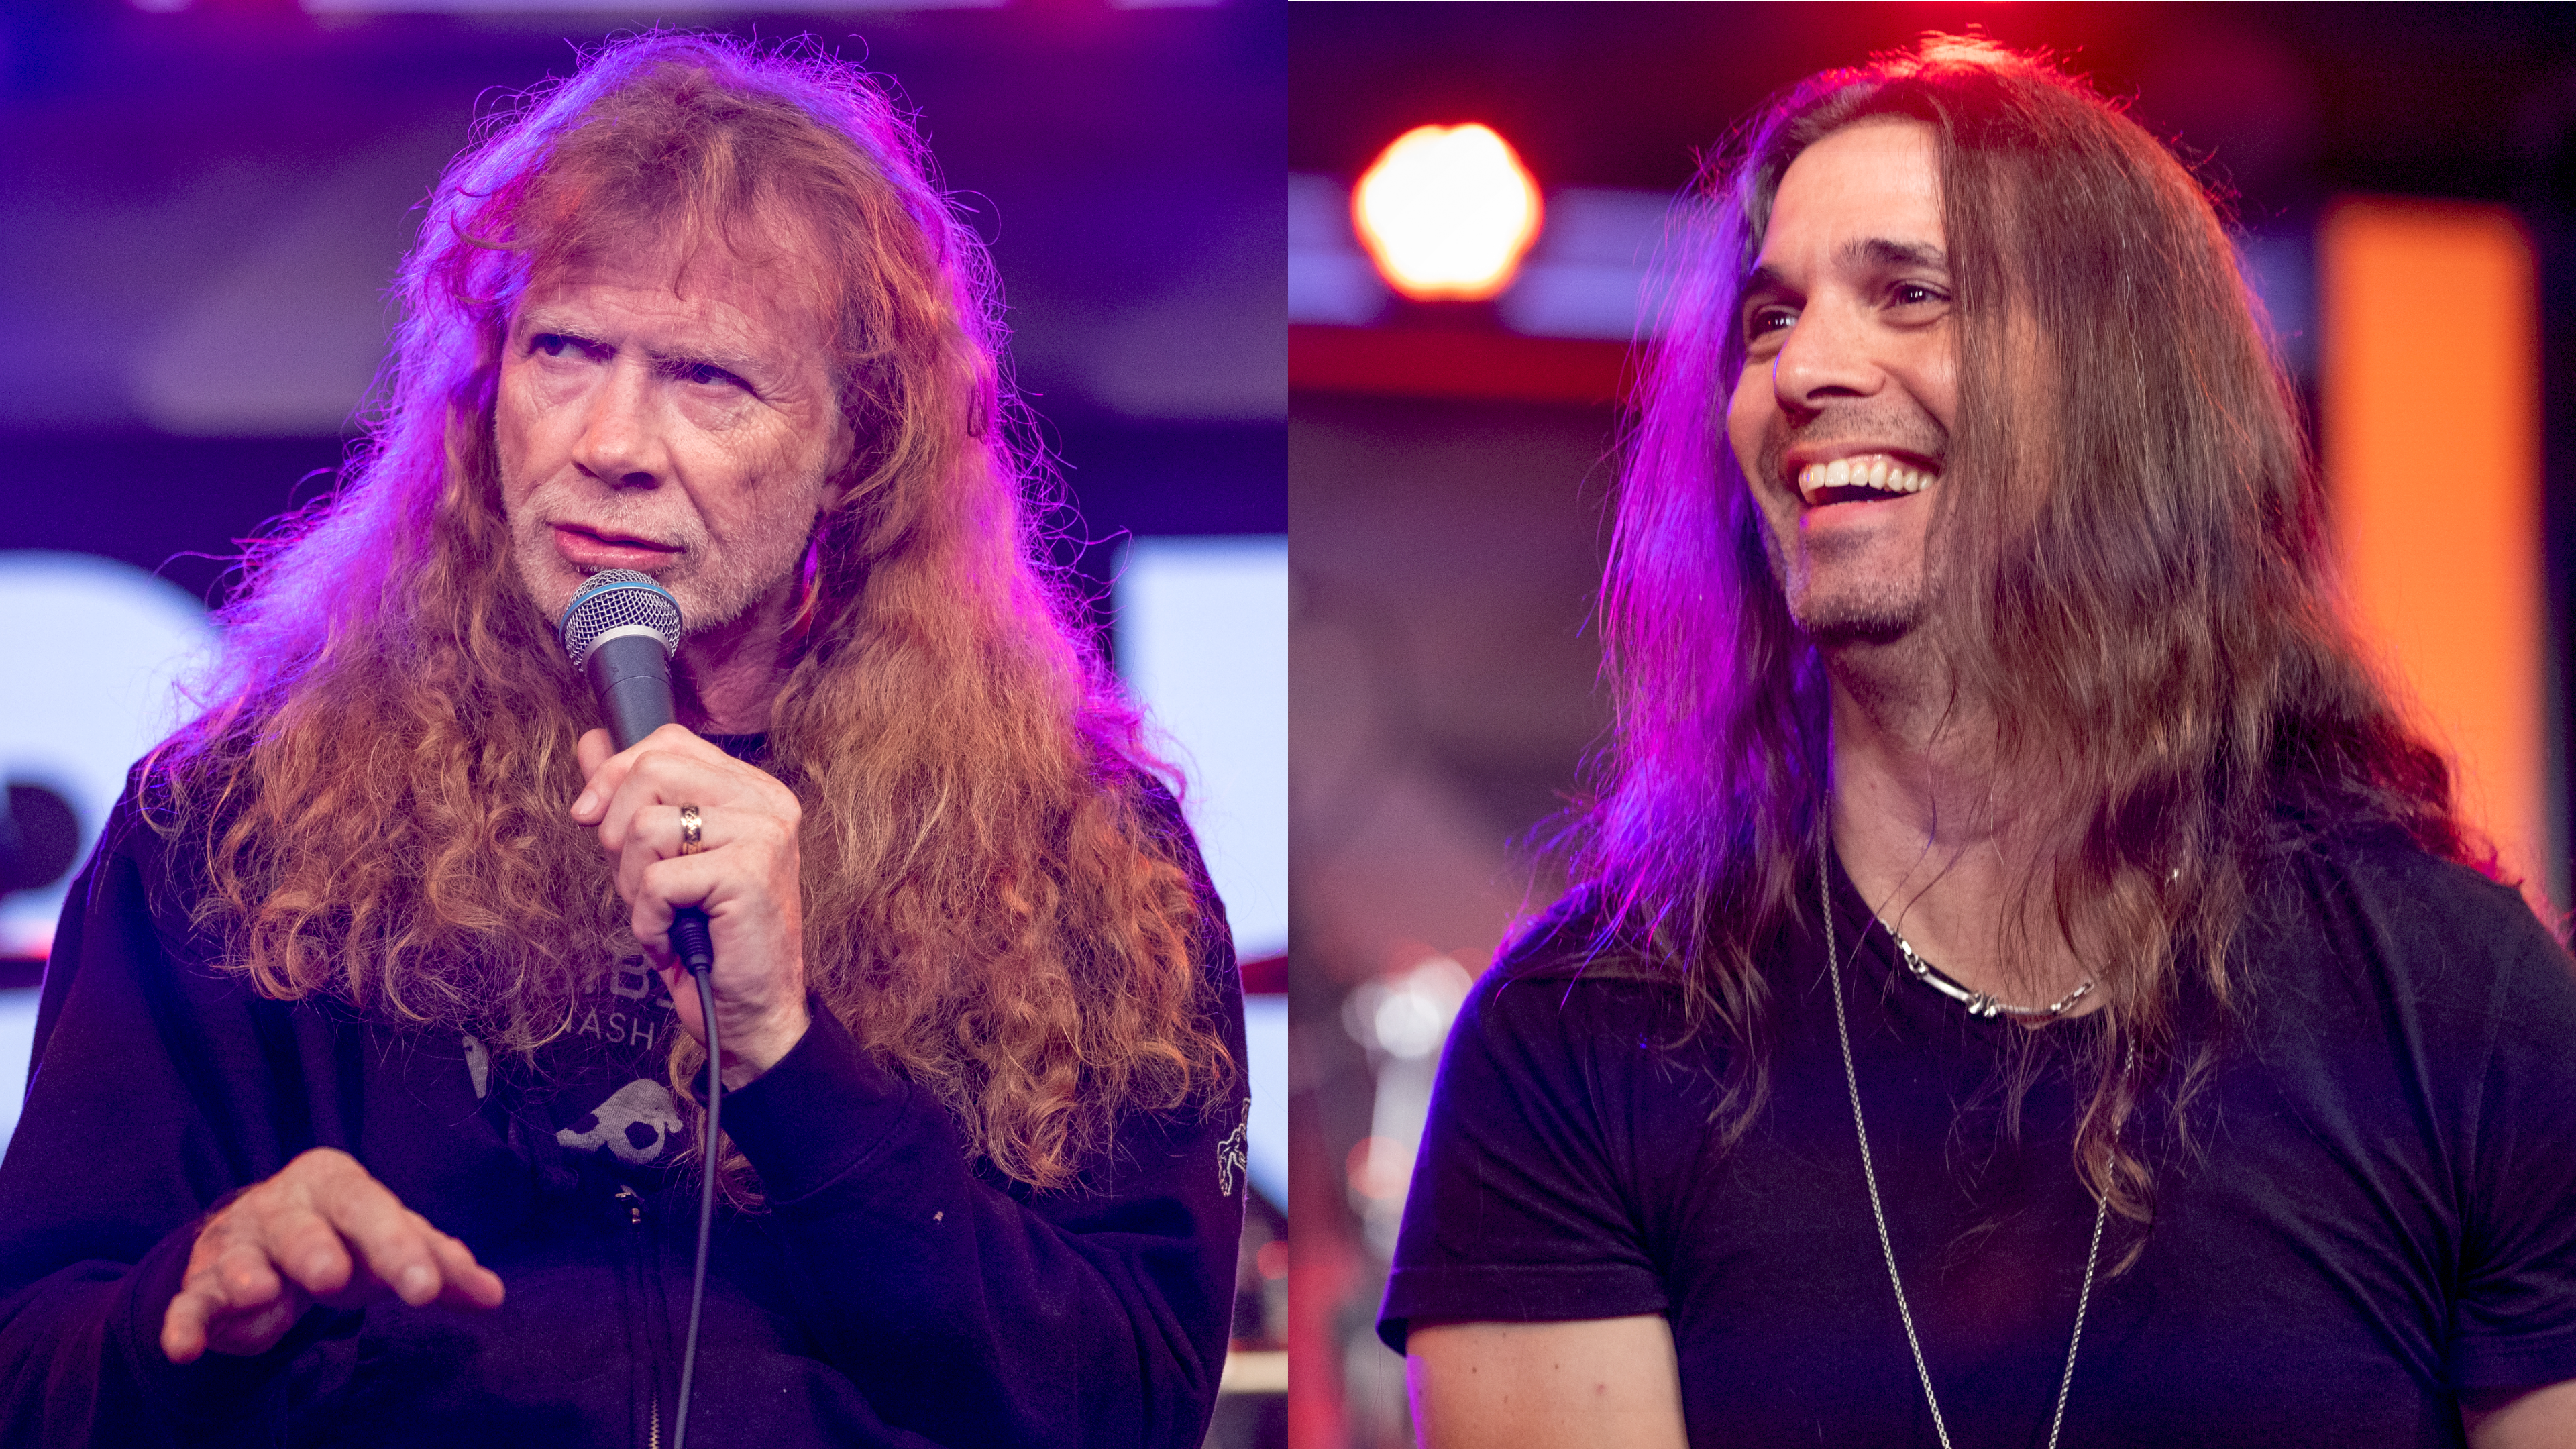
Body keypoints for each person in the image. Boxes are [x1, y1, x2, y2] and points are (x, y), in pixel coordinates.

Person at [0, 34, 1247, 1448]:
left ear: (857, 447)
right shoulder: (238, 824)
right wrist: (187, 1308)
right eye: (564, 351)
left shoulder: (1081, 854)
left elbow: (1134, 1407)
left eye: (707, 378)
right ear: (485, 389)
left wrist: (791, 1061)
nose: (610, 442)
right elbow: (31, 1368)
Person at [1382, 36, 2576, 1448]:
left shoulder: (2449, 996)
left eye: (1910, 294)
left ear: (2119, 388)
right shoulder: (1582, 1036)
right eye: (1770, 319)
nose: (1804, 368)